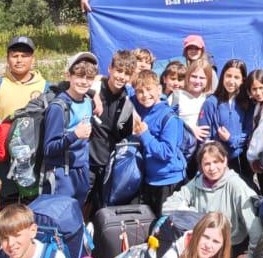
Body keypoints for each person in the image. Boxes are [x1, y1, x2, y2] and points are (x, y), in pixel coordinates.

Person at [165, 141, 263, 258]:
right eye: (207, 164)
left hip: (229, 246)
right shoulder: (197, 182)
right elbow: (168, 206)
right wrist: (194, 216)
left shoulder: (237, 186)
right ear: (201, 166)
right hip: (203, 242)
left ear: (225, 161)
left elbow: (253, 223)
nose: (212, 168)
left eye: (216, 162)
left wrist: (251, 255)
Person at [42, 53, 98, 205]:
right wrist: (74, 135)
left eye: (89, 78)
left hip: (82, 170)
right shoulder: (58, 107)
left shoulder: (88, 102)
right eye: (79, 76)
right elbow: (49, 149)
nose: (84, 82)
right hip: (62, 174)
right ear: (68, 76)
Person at [131, 69, 188, 211]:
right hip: (150, 179)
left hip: (169, 181)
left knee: (164, 222)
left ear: (159, 89)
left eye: (149, 89)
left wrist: (144, 134)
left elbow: (167, 152)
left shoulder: (169, 117)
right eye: (140, 91)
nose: (145, 95)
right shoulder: (145, 111)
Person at [89, 50, 137, 206]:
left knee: (102, 207)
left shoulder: (128, 101)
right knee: (82, 203)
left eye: (127, 73)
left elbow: (125, 136)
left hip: (109, 165)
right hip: (87, 162)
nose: (122, 76)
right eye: (119, 70)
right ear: (110, 68)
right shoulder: (94, 88)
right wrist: (92, 93)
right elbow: (71, 83)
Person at [202, 58, 249, 167]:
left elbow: (249, 132)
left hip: (242, 160)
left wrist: (230, 139)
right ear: (222, 76)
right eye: (228, 76)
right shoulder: (211, 102)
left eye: (236, 77)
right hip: (217, 162)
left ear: (243, 80)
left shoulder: (247, 103)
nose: (231, 81)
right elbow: (204, 136)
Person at [0, 35, 47, 123]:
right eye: (15, 56)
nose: (19, 60)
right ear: (7, 59)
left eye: (24, 56)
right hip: (2, 132)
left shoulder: (45, 87)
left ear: (33, 59)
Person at [171, 57, 215, 160]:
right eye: (194, 76)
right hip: (181, 150)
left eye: (202, 78)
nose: (197, 81)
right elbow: (168, 121)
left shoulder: (208, 99)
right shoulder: (177, 96)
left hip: (202, 151)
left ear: (208, 80)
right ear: (188, 77)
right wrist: (189, 128)